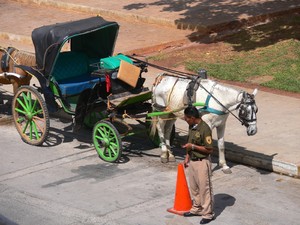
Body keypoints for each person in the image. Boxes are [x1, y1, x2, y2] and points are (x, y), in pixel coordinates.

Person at [182, 106, 215, 224]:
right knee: (194, 187)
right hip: (193, 161)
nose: (185, 120)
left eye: (186, 118)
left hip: (202, 162)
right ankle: (196, 208)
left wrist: (193, 147)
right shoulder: (192, 126)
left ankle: (208, 213)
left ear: (192, 118)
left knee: (204, 189)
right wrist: (187, 156)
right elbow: (189, 141)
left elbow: (209, 149)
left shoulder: (205, 129)